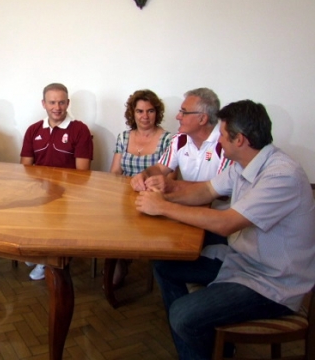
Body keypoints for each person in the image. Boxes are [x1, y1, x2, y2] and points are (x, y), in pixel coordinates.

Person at [135, 100, 315, 360]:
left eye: (222, 134)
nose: (218, 139)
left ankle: (201, 340)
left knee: (183, 315)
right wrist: (165, 193)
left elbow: (226, 223)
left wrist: (163, 207)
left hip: (272, 284)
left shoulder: (281, 175)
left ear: (239, 139)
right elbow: (206, 190)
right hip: (242, 261)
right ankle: (208, 347)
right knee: (164, 263)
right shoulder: (245, 163)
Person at [20, 83, 93, 280]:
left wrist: (54, 185)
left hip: (67, 194)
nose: (57, 107)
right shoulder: (33, 130)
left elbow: (82, 173)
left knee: (54, 216)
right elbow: (25, 167)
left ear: (68, 103)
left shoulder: (80, 130)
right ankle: (37, 252)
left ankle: (47, 260)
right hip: (38, 190)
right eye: (52, 102)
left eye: (61, 102)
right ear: (43, 104)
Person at [108, 89, 171, 285]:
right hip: (124, 198)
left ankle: (129, 259)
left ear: (157, 113)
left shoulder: (168, 139)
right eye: (140, 111)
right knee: (111, 224)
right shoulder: (123, 137)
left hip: (153, 198)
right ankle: (119, 260)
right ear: (132, 113)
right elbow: (115, 172)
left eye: (150, 111)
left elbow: (171, 177)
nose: (145, 116)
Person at [131, 88, 231, 194]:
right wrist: (144, 175)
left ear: (202, 119)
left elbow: (222, 190)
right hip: (184, 201)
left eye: (184, 112)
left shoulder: (226, 143)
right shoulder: (180, 139)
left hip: (216, 205)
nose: (178, 117)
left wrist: (174, 186)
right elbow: (160, 168)